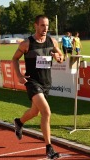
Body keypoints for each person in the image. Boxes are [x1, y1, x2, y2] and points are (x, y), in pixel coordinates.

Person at [12, 15, 63, 159]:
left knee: (35, 112)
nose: (45, 28)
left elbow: (61, 56)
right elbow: (14, 59)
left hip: (46, 82)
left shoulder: (52, 41)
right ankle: (49, 149)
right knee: (46, 112)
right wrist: (19, 76)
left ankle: (19, 122)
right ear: (35, 25)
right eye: (42, 25)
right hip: (32, 82)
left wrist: (58, 58)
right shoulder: (26, 43)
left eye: (47, 25)